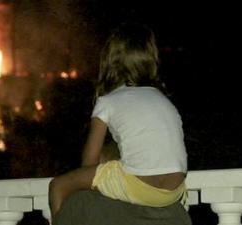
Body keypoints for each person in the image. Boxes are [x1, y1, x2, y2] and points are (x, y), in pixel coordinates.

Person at [48, 22, 188, 220]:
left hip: (140, 187)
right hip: (174, 189)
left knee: (58, 186)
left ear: (110, 61)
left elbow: (88, 162)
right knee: (114, 162)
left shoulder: (108, 101)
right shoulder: (162, 98)